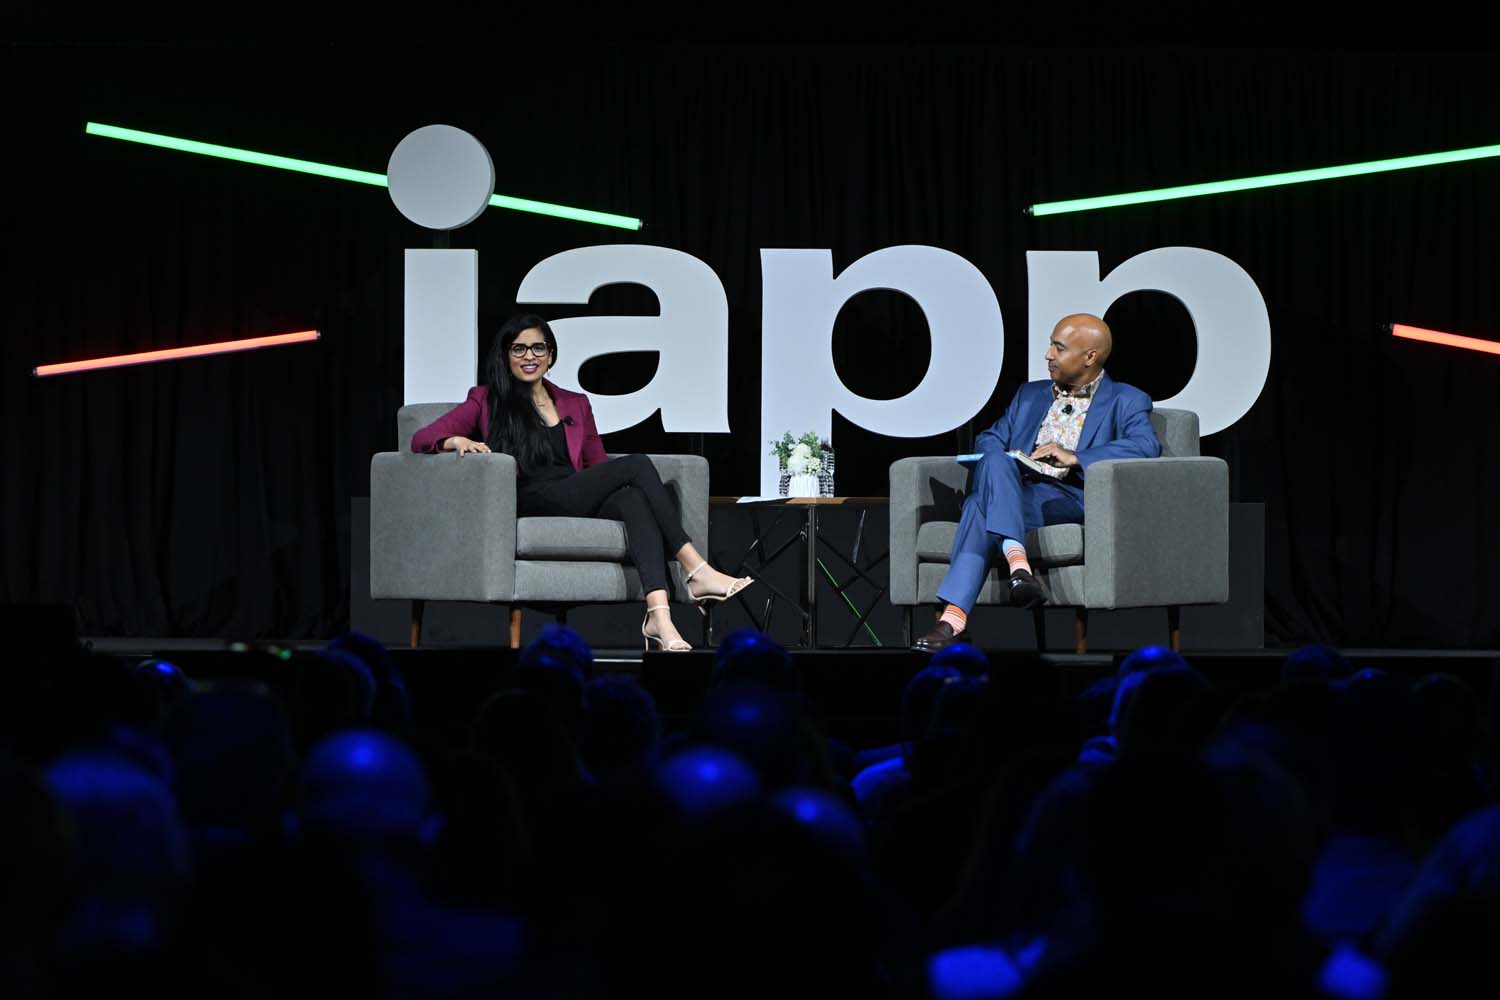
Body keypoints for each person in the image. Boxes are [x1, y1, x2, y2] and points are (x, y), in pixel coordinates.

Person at [411, 314, 752, 651]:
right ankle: (695, 567)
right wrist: (454, 441)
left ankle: (659, 617)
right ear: (505, 355)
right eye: (519, 349)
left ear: (551, 355)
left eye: (538, 348)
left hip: (572, 491)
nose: (529, 356)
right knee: (637, 465)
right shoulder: (486, 399)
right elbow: (421, 437)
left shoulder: (575, 403)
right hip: (530, 496)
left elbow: (597, 465)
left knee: (633, 497)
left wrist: (609, 489)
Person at [913, 313, 1161, 652]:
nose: (1048, 355)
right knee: (997, 461)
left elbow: (1145, 446)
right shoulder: (1029, 395)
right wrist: (1014, 456)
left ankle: (954, 619)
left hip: (1069, 496)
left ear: (1090, 357)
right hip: (1016, 488)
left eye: (1059, 348)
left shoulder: (1126, 399)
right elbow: (990, 438)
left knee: (977, 506)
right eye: (1050, 346)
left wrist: (1075, 457)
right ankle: (1018, 568)